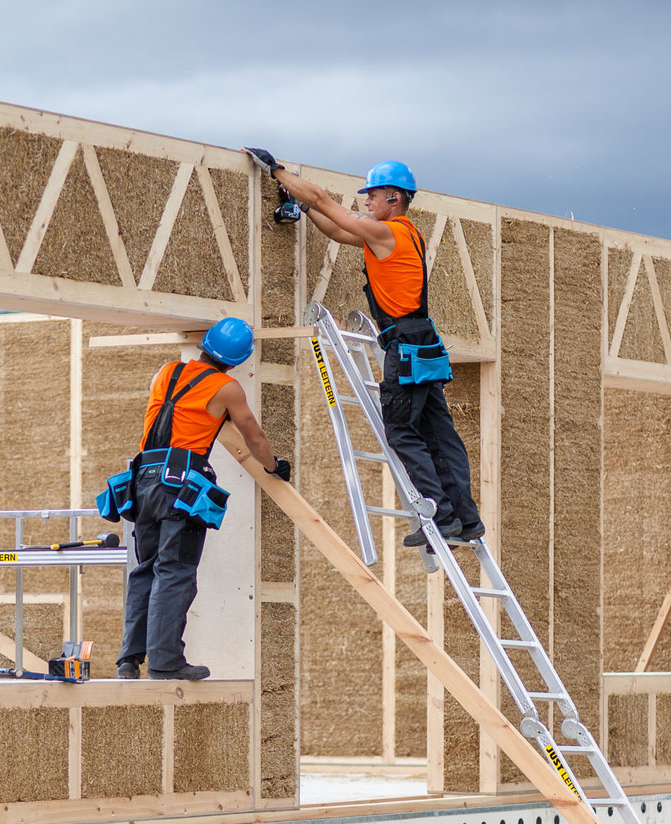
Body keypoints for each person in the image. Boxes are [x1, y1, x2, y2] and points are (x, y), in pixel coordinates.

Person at [243, 148, 482, 546]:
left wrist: (278, 172)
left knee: (403, 431)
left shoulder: (389, 231)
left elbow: (325, 202)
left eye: (371, 195)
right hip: (422, 341)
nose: (365, 201)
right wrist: (301, 208)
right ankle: (465, 519)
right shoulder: (402, 236)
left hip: (405, 345)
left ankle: (439, 515)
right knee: (441, 436)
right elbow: (337, 231)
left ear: (394, 196)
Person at [96, 317, 290, 680]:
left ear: (206, 345)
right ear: (237, 360)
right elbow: (254, 436)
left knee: (145, 571)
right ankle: (166, 662)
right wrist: (274, 465)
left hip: (143, 482)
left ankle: (129, 659)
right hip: (179, 487)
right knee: (175, 572)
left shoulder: (166, 371)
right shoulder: (227, 388)